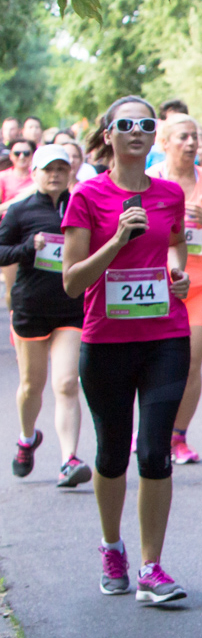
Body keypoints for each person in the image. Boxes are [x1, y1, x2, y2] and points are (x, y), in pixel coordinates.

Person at [60, 96, 192, 605]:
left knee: (155, 451)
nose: (137, 131)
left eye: (145, 124)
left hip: (165, 336)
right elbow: (72, 282)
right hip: (107, 340)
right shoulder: (87, 197)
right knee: (112, 453)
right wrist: (115, 242)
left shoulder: (168, 195)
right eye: (126, 124)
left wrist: (177, 276)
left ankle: (151, 567)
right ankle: (111, 546)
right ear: (108, 135)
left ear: (153, 135)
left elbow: (177, 246)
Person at [0, 145, 89, 485]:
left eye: (61, 169)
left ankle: (68, 459)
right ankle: (26, 437)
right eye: (48, 169)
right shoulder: (20, 211)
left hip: (70, 308)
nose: (55, 175)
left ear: (70, 173)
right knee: (30, 386)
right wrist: (27, 248)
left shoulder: (79, 207)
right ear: (34, 173)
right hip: (31, 309)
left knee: (66, 383)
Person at [150, 115, 202, 465]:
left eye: (195, 137)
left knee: (191, 362)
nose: (192, 143)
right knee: (152, 362)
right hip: (157, 283)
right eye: (183, 137)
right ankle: (151, 429)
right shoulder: (149, 182)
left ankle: (178, 436)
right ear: (164, 143)